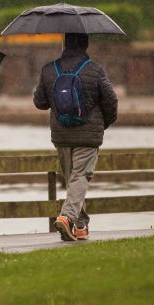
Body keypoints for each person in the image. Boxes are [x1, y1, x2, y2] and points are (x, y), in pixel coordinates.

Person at [33, 33, 118, 241]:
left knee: (74, 180)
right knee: (80, 177)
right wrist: (102, 124)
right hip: (88, 136)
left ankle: (80, 226)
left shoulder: (49, 69)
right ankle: (67, 217)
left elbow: (39, 102)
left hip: (61, 135)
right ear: (85, 44)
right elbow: (111, 101)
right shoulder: (95, 69)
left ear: (65, 44)